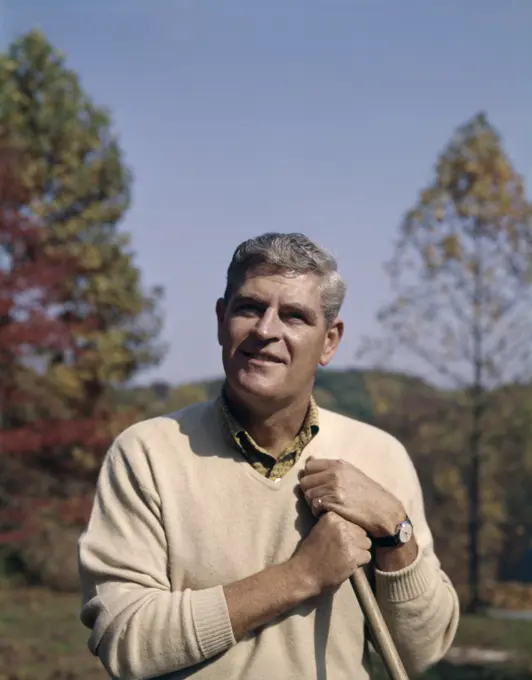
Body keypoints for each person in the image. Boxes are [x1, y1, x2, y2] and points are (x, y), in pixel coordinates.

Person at [78, 232, 460, 680]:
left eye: (294, 316)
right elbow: (126, 640)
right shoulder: (146, 454)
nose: (265, 330)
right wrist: (301, 576)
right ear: (222, 320)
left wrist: (396, 533)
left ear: (330, 341)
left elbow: (421, 653)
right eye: (249, 308)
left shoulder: (379, 457)